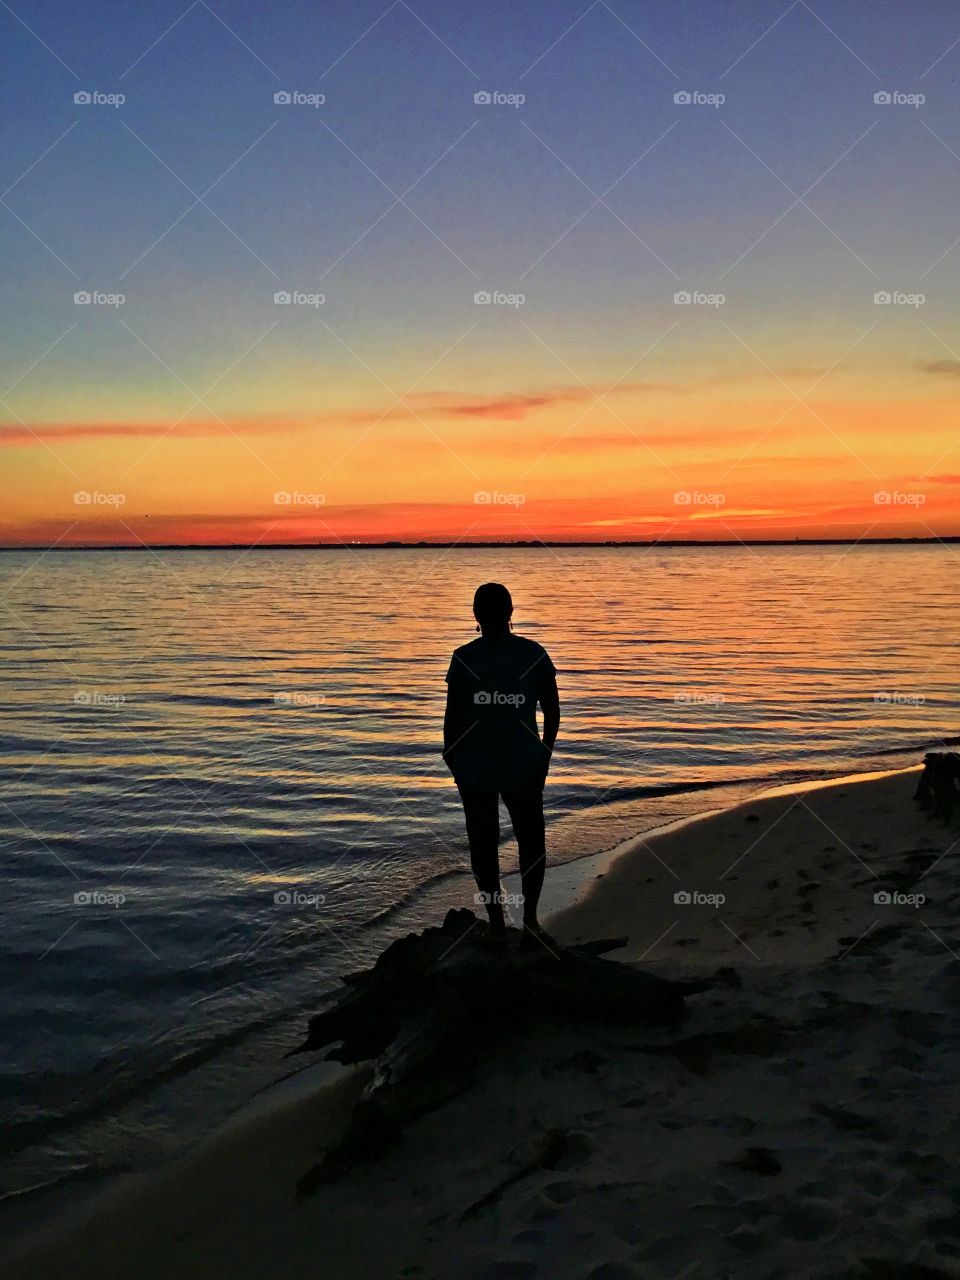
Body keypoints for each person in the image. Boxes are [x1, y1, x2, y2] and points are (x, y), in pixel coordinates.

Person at [443, 583, 560, 943]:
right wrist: (454, 760)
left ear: (506, 613)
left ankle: (523, 921)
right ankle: (508, 922)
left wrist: (544, 753)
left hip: (517, 763)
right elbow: (453, 721)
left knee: (517, 841)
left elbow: (552, 710)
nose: (490, 617)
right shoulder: (467, 657)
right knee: (498, 842)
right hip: (485, 765)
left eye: (493, 611)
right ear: (479, 615)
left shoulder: (531, 654)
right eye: (486, 611)